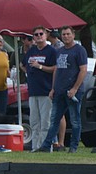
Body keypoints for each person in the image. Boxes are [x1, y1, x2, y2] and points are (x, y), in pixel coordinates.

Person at [39, 25, 87, 153]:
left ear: (73, 35)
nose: (66, 36)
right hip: (59, 90)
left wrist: (75, 88)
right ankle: (46, 146)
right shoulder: (59, 51)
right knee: (54, 120)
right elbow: (57, 70)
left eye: (68, 34)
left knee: (75, 120)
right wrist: (53, 88)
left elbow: (83, 70)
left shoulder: (79, 50)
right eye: (63, 34)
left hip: (73, 92)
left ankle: (73, 147)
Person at [23, 27, 58, 151]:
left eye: (41, 34)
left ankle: (45, 147)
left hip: (46, 91)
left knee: (45, 122)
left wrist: (40, 67)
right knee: (34, 122)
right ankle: (35, 147)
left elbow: (55, 68)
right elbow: (24, 64)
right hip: (33, 91)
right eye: (36, 34)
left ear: (46, 35)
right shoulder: (31, 51)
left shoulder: (51, 51)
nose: (38, 36)